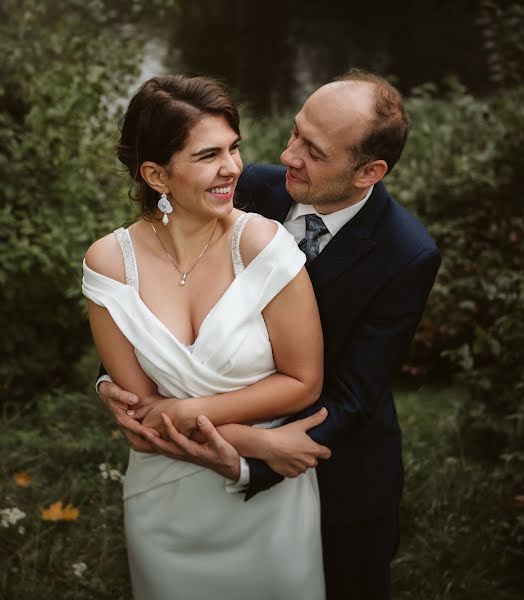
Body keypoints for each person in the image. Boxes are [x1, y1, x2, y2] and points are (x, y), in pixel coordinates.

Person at [99, 69, 441, 600]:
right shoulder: (249, 188)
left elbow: (350, 392)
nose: (288, 156)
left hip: (335, 462)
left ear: (368, 171)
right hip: (194, 478)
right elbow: (161, 303)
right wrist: (117, 380)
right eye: (295, 133)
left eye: (314, 150)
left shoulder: (406, 254)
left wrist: (255, 455)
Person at [82, 75, 327, 599]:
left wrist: (192, 412)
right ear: (156, 174)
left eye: (234, 148)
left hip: (270, 509)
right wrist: (258, 440)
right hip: (166, 502)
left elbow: (303, 383)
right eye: (208, 155)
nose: (233, 168)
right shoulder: (110, 264)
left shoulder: (263, 245)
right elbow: (143, 421)